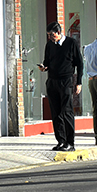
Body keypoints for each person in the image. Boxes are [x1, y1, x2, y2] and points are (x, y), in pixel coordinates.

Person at [38, 22, 83, 152]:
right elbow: (47, 61)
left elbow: (79, 64)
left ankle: (70, 142)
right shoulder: (49, 45)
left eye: (52, 35)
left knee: (67, 111)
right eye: (48, 36)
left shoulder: (71, 43)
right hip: (52, 81)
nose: (50, 38)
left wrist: (78, 82)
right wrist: (43, 67)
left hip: (66, 80)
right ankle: (61, 141)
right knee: (55, 112)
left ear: (58, 32)